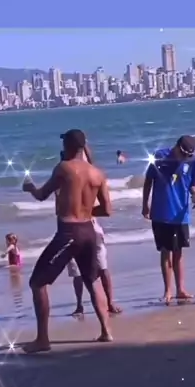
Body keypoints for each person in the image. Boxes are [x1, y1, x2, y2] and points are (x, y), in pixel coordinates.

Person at [22, 129, 113, 352]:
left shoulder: (64, 168)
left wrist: (30, 188)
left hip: (69, 233)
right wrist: (84, 211)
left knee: (37, 283)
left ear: (68, 146)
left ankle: (42, 340)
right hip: (89, 231)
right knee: (92, 281)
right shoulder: (98, 173)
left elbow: (42, 195)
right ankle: (106, 331)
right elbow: (107, 210)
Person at [63, 139, 121, 318]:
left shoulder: (80, 174)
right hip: (84, 227)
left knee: (99, 267)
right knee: (81, 271)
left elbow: (90, 163)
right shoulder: (67, 178)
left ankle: (107, 302)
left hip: (81, 228)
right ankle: (81, 305)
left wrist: (83, 144)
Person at [142, 134, 195, 304]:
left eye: (188, 155)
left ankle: (180, 289)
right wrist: (145, 204)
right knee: (165, 251)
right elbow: (148, 181)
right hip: (161, 212)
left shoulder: (191, 161)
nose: (185, 158)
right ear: (176, 147)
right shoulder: (160, 156)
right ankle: (167, 290)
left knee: (179, 252)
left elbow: (191, 183)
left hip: (181, 214)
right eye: (183, 154)